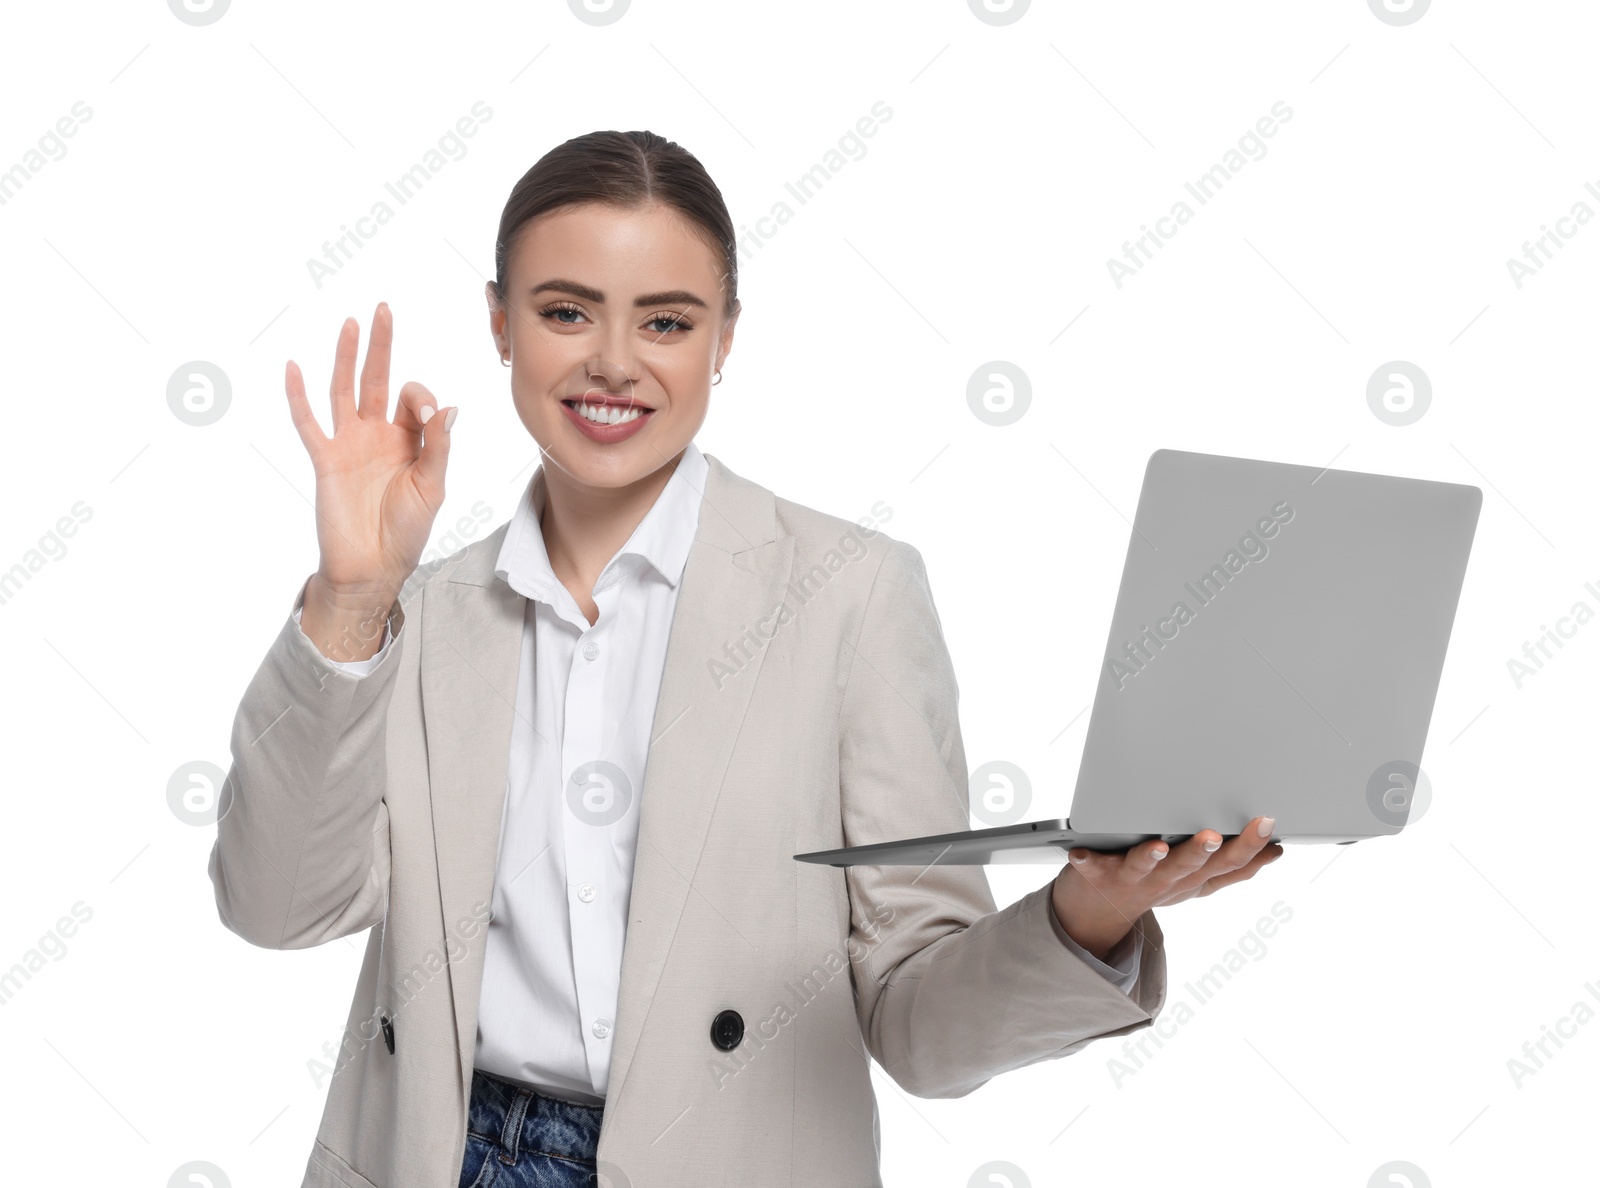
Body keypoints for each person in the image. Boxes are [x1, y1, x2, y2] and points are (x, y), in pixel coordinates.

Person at [209, 129, 1282, 1188]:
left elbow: (919, 1032)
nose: (614, 362)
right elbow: (276, 906)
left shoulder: (850, 596)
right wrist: (353, 595)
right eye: (565, 311)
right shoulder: (423, 614)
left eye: (666, 321)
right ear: (500, 324)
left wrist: (1086, 916)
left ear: (725, 336)